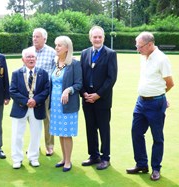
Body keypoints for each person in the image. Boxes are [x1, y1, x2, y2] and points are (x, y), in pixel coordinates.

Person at [126, 32, 174, 181]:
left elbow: (170, 83)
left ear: (149, 45)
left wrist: (161, 96)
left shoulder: (162, 59)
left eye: (139, 46)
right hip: (140, 102)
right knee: (136, 132)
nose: (137, 49)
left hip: (155, 103)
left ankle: (155, 169)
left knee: (157, 137)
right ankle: (141, 164)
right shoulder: (143, 56)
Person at [80, 26, 118, 170]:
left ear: (103, 38)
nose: (97, 39)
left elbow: (111, 78)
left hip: (102, 100)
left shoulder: (110, 54)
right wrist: (84, 93)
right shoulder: (84, 53)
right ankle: (93, 155)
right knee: (90, 128)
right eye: (94, 37)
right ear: (90, 38)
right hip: (87, 99)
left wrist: (98, 94)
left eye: (99, 37)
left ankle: (105, 157)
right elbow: (80, 76)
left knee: (103, 129)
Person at [10, 48, 49, 169]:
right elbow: (12, 91)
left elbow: (46, 90)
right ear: (23, 59)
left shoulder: (43, 73)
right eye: (28, 57)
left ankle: (33, 157)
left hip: (37, 108)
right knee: (17, 135)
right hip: (20, 108)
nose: (31, 59)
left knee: (36, 134)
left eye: (33, 57)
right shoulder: (16, 73)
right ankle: (17, 159)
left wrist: (35, 100)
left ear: (36, 59)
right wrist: (26, 101)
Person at [49, 36, 82, 172]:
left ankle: (68, 161)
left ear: (67, 48)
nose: (56, 48)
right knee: (60, 133)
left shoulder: (74, 64)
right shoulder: (54, 62)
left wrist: (68, 90)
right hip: (55, 104)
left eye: (59, 46)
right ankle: (63, 158)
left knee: (67, 133)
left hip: (68, 104)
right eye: (56, 45)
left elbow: (79, 83)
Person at [30, 28, 56, 156]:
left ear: (44, 39)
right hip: (31, 92)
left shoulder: (52, 52)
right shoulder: (29, 52)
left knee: (47, 119)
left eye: (37, 37)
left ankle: (49, 146)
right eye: (34, 36)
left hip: (45, 92)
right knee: (33, 120)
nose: (34, 39)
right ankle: (34, 146)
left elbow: (56, 71)